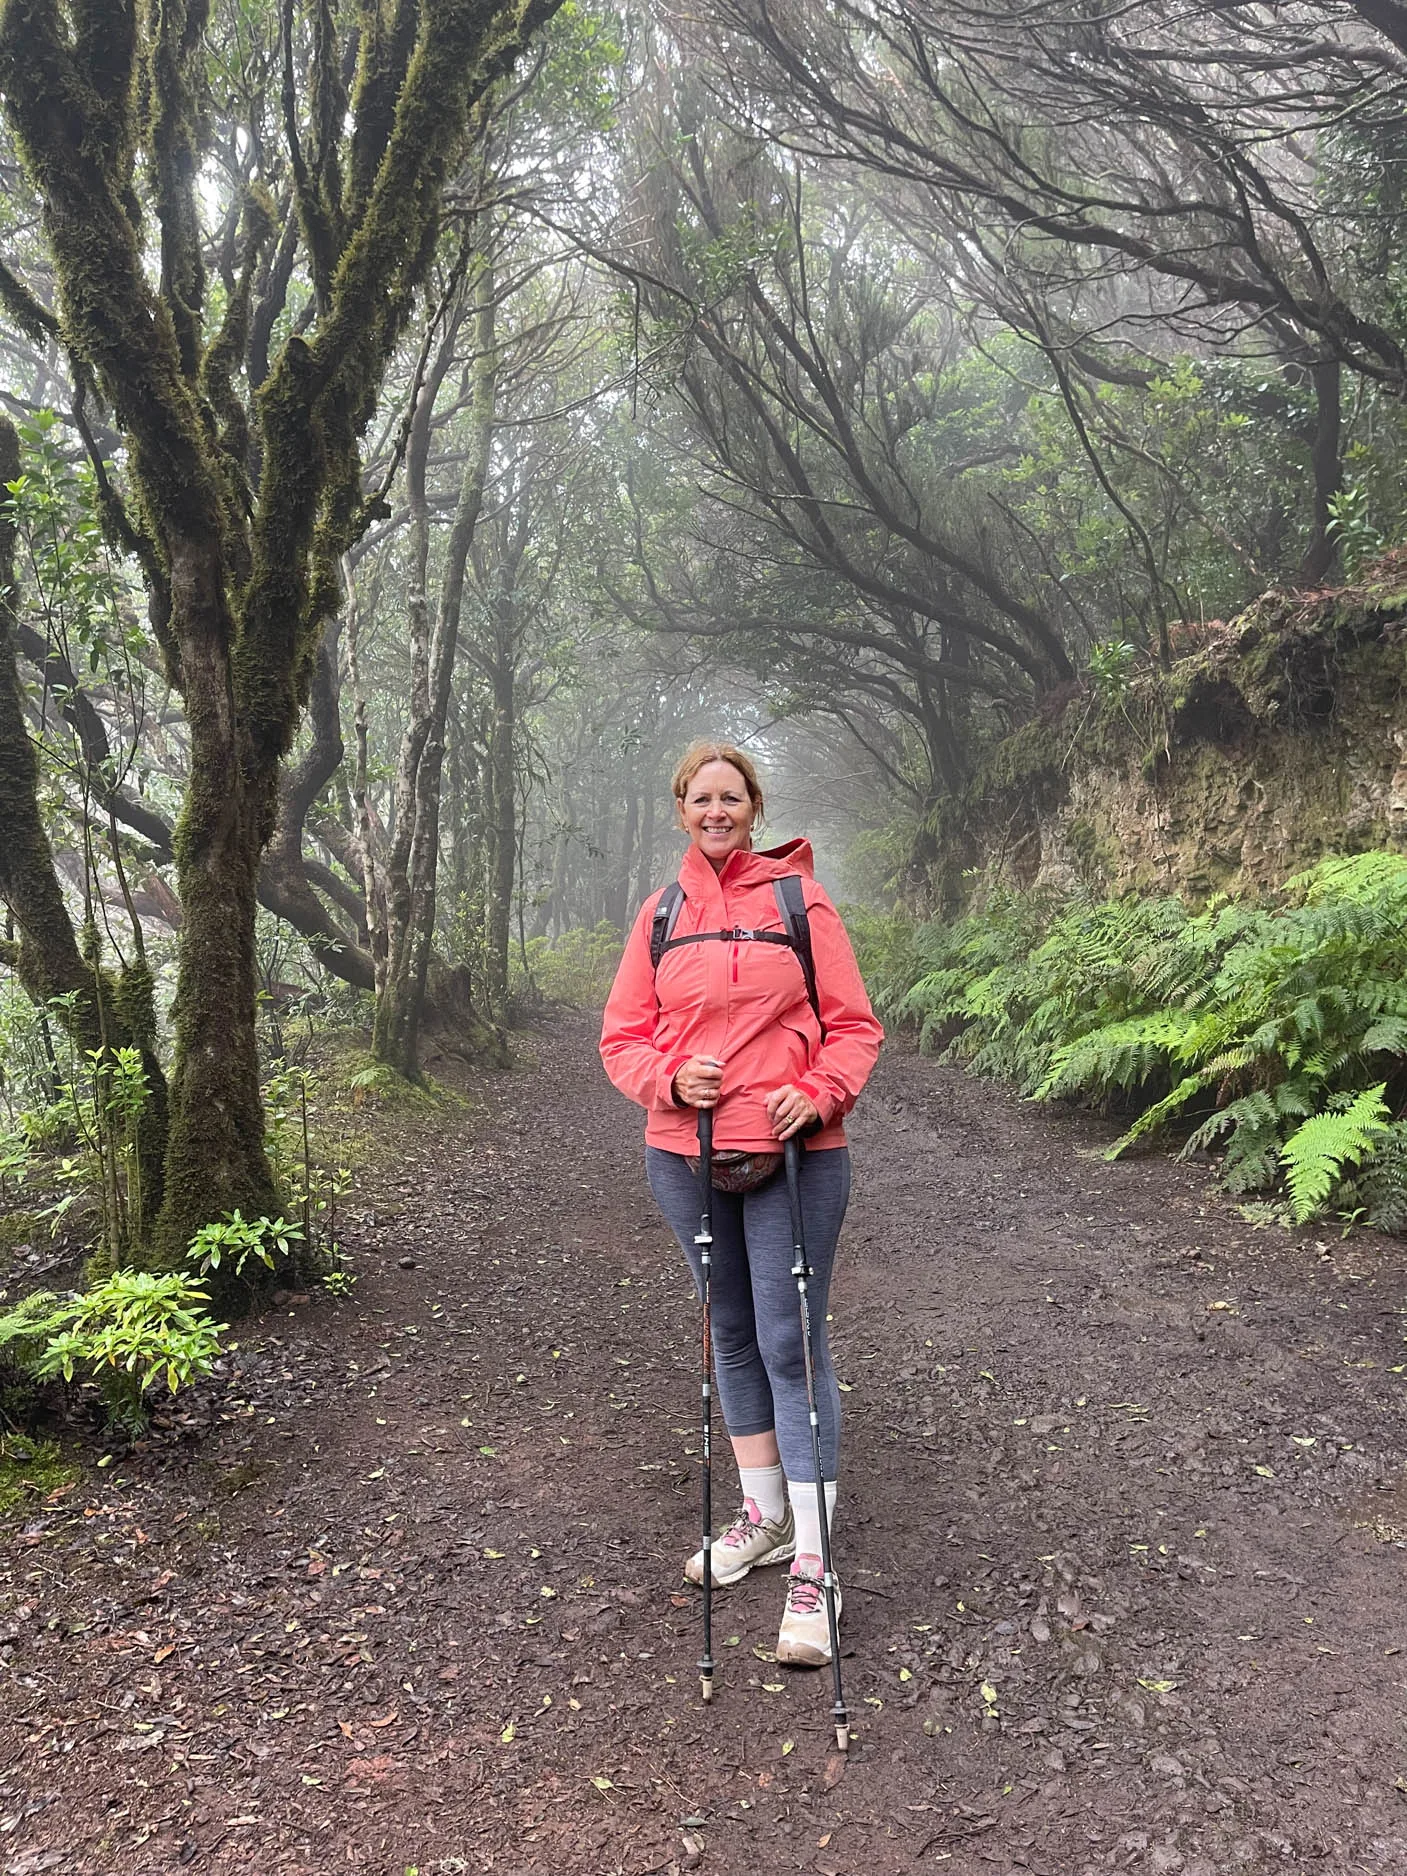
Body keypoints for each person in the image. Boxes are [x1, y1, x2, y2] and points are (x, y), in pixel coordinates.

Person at [600, 740, 883, 1666]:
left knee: (789, 1340)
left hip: (798, 1155)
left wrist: (823, 1089)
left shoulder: (801, 903)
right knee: (727, 1332)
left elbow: (853, 1026)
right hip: (684, 1154)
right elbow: (622, 1040)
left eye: (731, 797)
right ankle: (761, 1517)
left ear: (754, 806)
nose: (715, 811)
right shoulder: (659, 916)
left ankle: (814, 1560)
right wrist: (672, 1082)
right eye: (699, 799)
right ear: (681, 810)